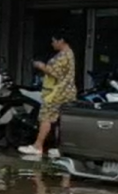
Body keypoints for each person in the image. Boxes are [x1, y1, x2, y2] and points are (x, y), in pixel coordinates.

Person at [20, 31, 76, 159]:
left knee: (46, 118)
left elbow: (54, 73)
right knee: (59, 120)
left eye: (54, 41)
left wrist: (41, 66)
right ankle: (60, 148)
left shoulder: (63, 56)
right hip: (64, 91)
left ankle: (38, 145)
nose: (52, 44)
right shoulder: (68, 54)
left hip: (56, 92)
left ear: (61, 40)